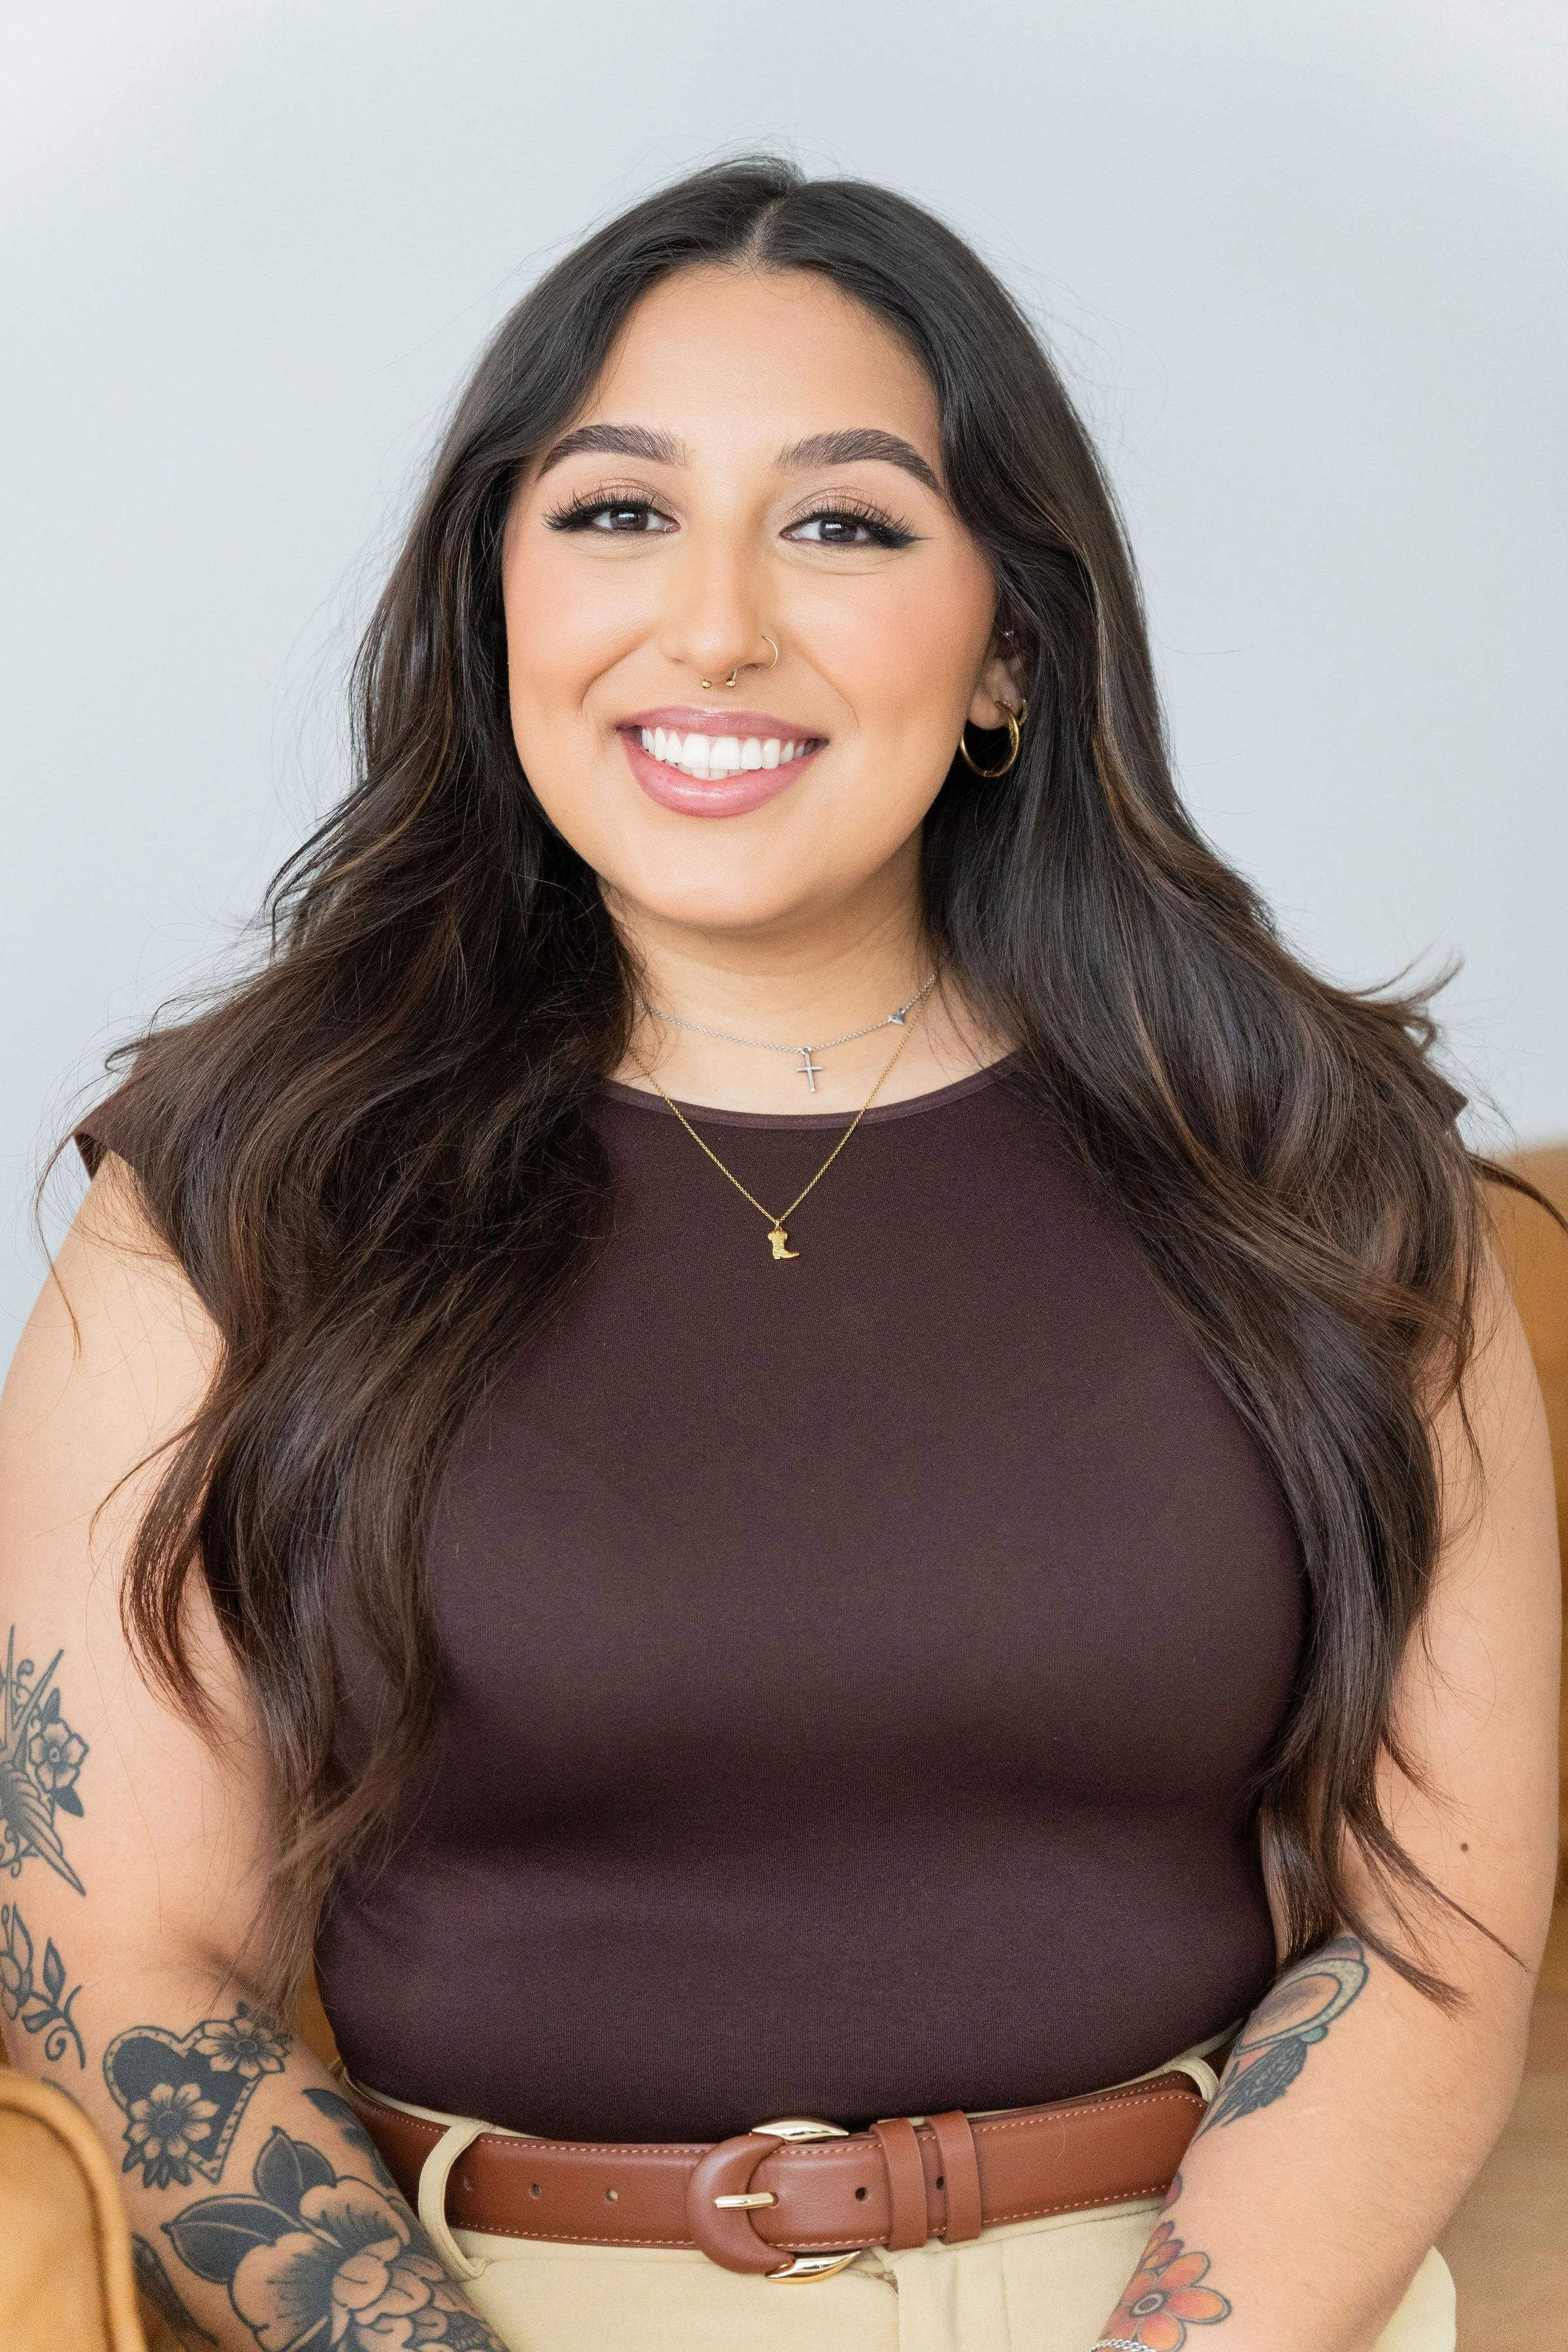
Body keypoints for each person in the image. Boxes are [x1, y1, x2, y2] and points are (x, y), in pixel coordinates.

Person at [0, 158, 1557, 2352]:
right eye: (618, 512)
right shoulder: (239, 1192)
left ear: (1012, 642)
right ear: (497, 603)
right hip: (481, 2312)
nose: (714, 622)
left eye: (843, 522)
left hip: (1214, 2309)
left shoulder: (1318, 1172)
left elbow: (1432, 1943)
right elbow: (121, 1971)